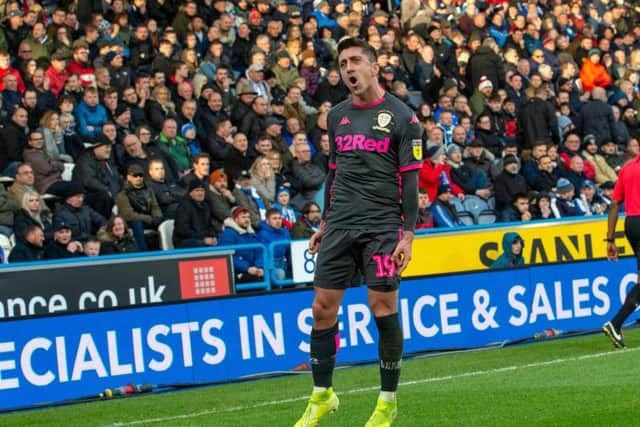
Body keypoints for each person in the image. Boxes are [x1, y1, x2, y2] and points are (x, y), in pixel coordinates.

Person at [294, 38, 422, 427]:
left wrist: (409, 233)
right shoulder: (337, 116)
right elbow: (334, 172)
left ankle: (387, 403)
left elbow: (411, 182)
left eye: (355, 61)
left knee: (382, 307)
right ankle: (322, 395)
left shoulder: (403, 118)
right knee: (321, 308)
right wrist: (326, 222)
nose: (348, 68)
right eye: (343, 62)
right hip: (341, 224)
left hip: (383, 226)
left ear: (373, 66)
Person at [603, 150, 640, 348]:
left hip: (631, 224)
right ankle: (615, 324)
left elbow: (615, 203)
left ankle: (616, 325)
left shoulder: (627, 169)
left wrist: (610, 239)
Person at [219, 206, 265, 284]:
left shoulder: (251, 233)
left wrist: (260, 267)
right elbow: (227, 257)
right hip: (236, 272)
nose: (247, 219)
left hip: (253, 269)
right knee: (255, 281)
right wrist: (247, 268)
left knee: (272, 277)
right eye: (243, 217)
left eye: (248, 217)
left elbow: (258, 253)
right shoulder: (228, 234)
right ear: (235, 219)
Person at [172, 179, 218, 249]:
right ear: (190, 193)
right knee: (200, 244)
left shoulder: (206, 206)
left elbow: (210, 226)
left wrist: (213, 236)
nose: (200, 193)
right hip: (184, 241)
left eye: (202, 190)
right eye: (197, 190)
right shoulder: (184, 206)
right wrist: (203, 239)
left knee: (221, 240)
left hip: (201, 238)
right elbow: (183, 230)